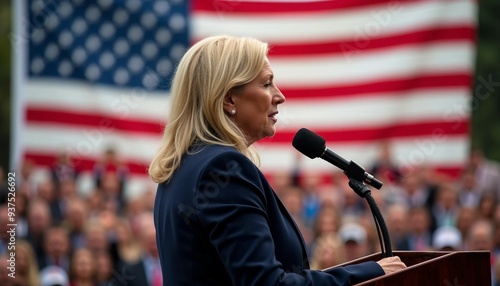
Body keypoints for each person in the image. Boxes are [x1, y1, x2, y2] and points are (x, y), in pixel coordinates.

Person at [149, 35, 406, 285]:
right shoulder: (224, 169)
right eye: (267, 83)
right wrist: (370, 273)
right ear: (229, 99)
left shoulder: (179, 168)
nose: (279, 95)